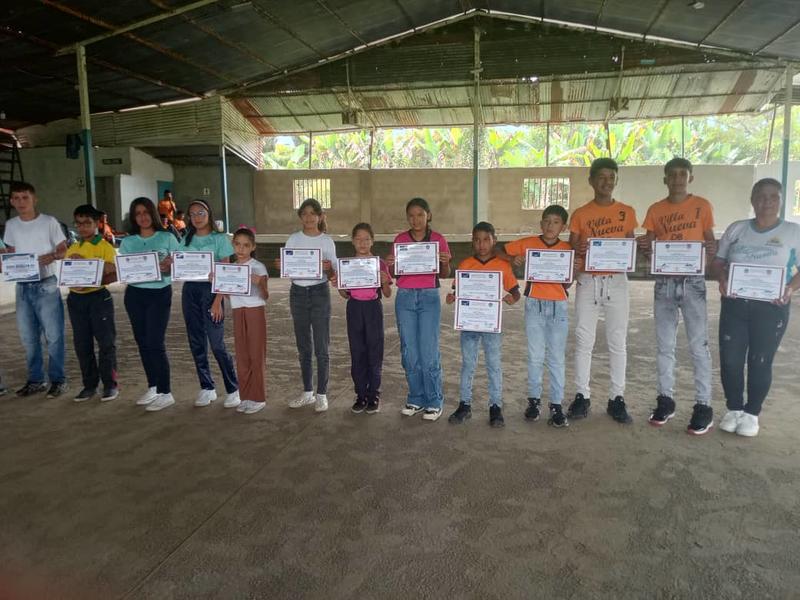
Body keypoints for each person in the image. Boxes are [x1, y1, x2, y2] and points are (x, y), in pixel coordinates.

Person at [710, 178, 800, 437]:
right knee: (730, 359)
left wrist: (790, 288)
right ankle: (734, 408)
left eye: (774, 197)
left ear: (781, 201)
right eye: (761, 196)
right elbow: (718, 261)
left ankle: (752, 414)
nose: (767, 202)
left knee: (760, 360)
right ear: (752, 199)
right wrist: (722, 279)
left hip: (772, 307)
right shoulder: (737, 229)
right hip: (735, 305)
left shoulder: (793, 232)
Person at [639, 158, 716, 435]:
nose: (678, 179)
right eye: (672, 175)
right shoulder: (656, 210)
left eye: (683, 174)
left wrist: (706, 257)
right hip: (664, 283)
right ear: (665, 179)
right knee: (664, 345)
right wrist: (647, 248)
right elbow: (648, 245)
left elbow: (710, 240)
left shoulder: (702, 206)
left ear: (690, 178)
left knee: (699, 345)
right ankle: (666, 399)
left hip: (693, 282)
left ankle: (703, 404)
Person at [568, 158, 638, 424]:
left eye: (611, 177)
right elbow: (571, 248)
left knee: (617, 341)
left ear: (616, 180)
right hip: (588, 280)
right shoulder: (581, 214)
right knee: (584, 340)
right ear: (591, 180)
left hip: (617, 281)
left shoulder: (627, 211)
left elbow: (629, 246)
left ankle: (616, 398)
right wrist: (579, 250)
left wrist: (631, 252)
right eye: (601, 177)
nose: (606, 182)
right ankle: (581, 396)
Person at [499, 204, 572, 427]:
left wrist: (568, 269)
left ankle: (556, 405)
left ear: (563, 226)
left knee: (557, 357)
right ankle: (534, 401)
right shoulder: (528, 243)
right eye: (547, 221)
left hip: (558, 305)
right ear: (541, 224)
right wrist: (513, 260)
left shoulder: (567, 248)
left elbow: (567, 281)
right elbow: (499, 251)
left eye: (556, 222)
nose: (550, 226)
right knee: (535, 355)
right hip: (534, 304)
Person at [447, 221, 520, 427]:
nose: (482, 244)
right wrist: (452, 297)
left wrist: (512, 298)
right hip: (469, 323)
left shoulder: (502, 266)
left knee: (493, 365)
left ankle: (495, 407)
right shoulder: (465, 265)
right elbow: (456, 291)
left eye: (486, 239)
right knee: (468, 364)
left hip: (491, 324)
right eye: (477, 240)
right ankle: (465, 404)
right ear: (472, 242)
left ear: (493, 241)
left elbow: (516, 291)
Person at [386, 197, 452, 422]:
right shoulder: (400, 239)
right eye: (411, 215)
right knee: (409, 351)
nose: (416, 219)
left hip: (429, 298)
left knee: (428, 351)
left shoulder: (439, 240)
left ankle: (434, 401)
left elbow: (443, 274)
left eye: (420, 215)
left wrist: (444, 262)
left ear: (428, 215)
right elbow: (396, 274)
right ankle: (416, 397)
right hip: (404, 298)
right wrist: (392, 264)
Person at [2, 182, 68, 398]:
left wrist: (48, 257)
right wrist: (7, 263)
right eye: (16, 198)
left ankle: (58, 379)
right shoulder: (11, 225)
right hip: (22, 286)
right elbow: (10, 252)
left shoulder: (49, 222)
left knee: (54, 335)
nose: (21, 202)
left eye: (25, 197)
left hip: (46, 284)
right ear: (11, 201)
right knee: (28, 337)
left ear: (34, 199)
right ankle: (36, 379)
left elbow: (62, 249)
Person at [119, 197, 180, 412]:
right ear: (133, 217)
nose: (142, 217)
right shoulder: (128, 242)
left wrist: (170, 266)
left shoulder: (167, 237)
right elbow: (124, 270)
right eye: (138, 213)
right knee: (143, 341)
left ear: (153, 213)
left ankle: (166, 392)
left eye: (146, 212)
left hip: (159, 294)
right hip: (135, 295)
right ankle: (153, 386)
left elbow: (181, 265)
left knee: (155, 342)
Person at [181, 200, 240, 409]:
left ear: (209, 214)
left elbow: (226, 271)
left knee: (217, 343)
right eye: (193, 214)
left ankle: (233, 388)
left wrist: (218, 299)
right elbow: (181, 264)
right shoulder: (185, 239)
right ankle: (207, 387)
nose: (197, 217)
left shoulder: (219, 239)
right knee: (196, 342)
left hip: (211, 292)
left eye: (201, 212)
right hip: (190, 291)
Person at [284, 198, 337, 412]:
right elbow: (289, 270)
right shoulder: (293, 239)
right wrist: (284, 265)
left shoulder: (327, 241)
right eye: (304, 213)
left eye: (313, 213)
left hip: (319, 293)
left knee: (321, 346)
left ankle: (322, 394)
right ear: (300, 216)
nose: (308, 217)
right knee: (303, 345)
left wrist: (328, 269)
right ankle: (307, 392)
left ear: (320, 216)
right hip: (297, 293)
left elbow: (334, 273)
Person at [65, 205, 119, 402]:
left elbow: (114, 272)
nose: (82, 228)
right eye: (78, 224)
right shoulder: (73, 247)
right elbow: (68, 273)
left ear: (97, 223)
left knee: (106, 343)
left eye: (87, 223)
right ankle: (89, 385)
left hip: (98, 299)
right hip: (75, 300)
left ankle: (110, 385)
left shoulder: (104, 246)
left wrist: (92, 271)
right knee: (82, 344)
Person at [337, 223, 392, 415]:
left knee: (374, 351)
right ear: (352, 241)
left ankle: (373, 394)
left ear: (372, 241)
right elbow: (345, 295)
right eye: (358, 239)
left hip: (372, 308)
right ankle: (360, 394)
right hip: (354, 308)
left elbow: (387, 294)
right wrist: (339, 285)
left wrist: (384, 282)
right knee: (357, 351)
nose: (362, 243)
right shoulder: (347, 265)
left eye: (366, 239)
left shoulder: (380, 264)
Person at [228, 227, 269, 415]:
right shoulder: (230, 267)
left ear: (252, 247)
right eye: (237, 244)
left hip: (255, 311)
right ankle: (245, 396)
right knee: (242, 355)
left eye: (245, 245)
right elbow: (229, 295)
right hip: (238, 310)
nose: (241, 249)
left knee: (256, 354)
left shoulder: (258, 267)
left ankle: (258, 397)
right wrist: (218, 281)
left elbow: (266, 295)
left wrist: (259, 282)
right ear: (232, 245)